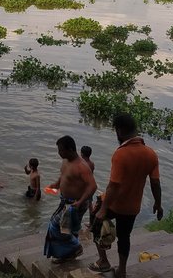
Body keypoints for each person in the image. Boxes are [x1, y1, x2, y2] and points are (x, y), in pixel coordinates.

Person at [88, 112, 163, 278]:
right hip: (132, 207)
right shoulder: (151, 154)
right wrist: (158, 204)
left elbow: (114, 185)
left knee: (95, 224)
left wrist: (103, 209)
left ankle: (103, 261)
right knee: (124, 237)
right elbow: (155, 183)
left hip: (114, 204)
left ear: (120, 131)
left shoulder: (120, 154)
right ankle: (122, 271)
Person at [44, 135, 97, 264]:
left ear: (70, 149)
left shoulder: (81, 166)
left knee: (55, 226)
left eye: (61, 150)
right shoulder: (66, 161)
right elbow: (63, 175)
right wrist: (56, 185)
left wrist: (79, 202)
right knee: (69, 229)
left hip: (75, 204)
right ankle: (67, 254)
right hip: (65, 201)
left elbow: (93, 186)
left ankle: (75, 247)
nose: (59, 153)